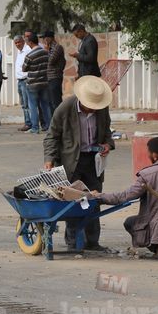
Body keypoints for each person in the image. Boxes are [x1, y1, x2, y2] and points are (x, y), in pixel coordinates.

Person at [43, 76, 115, 251]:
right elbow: (52, 136)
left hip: (93, 161)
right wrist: (49, 159)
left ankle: (93, 241)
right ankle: (73, 241)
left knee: (94, 200)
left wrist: (108, 145)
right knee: (73, 201)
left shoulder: (102, 110)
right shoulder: (65, 108)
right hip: (70, 161)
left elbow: (107, 133)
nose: (94, 109)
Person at [97, 136, 158, 260]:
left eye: (148, 153)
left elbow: (125, 196)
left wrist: (100, 197)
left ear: (155, 155)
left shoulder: (147, 174)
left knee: (130, 222)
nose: (148, 156)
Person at [22, 33, 51, 133]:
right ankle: (49, 126)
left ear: (30, 42)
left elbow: (24, 68)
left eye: (27, 42)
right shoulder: (45, 53)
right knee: (45, 105)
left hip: (32, 83)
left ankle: (35, 128)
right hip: (44, 82)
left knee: (33, 106)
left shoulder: (30, 55)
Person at [13, 35, 31, 131]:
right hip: (19, 80)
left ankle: (29, 123)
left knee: (26, 103)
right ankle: (27, 122)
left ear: (23, 41)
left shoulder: (27, 50)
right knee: (23, 103)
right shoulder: (19, 52)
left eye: (19, 42)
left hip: (25, 80)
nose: (17, 44)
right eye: (16, 43)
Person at [43, 30, 65, 108]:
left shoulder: (57, 47)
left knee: (56, 101)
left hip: (55, 77)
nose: (44, 40)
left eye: (46, 38)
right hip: (48, 78)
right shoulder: (49, 48)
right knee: (50, 102)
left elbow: (51, 60)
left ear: (50, 38)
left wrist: (46, 51)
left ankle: (59, 115)